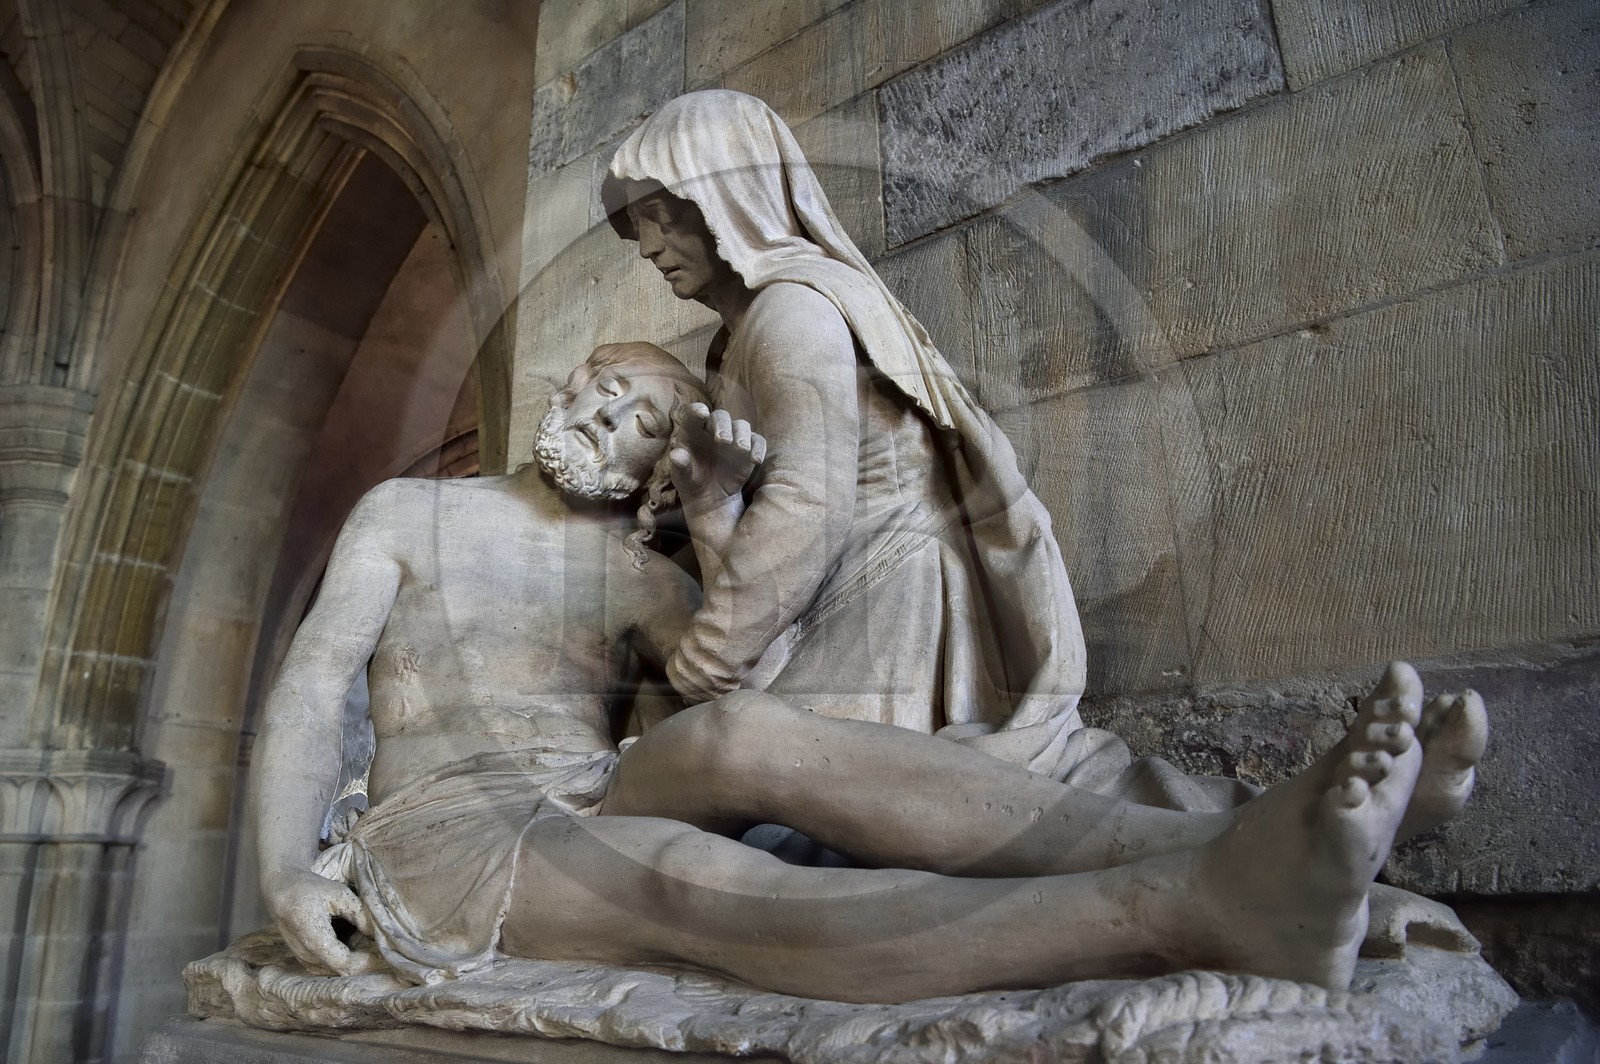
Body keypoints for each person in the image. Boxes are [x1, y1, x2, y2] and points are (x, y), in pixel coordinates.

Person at [253, 343, 1486, 1001]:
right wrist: (285, 874)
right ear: (567, 382)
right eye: (607, 389)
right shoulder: (410, 512)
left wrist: (720, 512)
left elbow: (760, 684)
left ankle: (1238, 833)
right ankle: (1198, 903)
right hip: (449, 831)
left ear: (651, 473)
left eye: (645, 421)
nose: (610, 415)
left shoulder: (633, 574)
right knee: (684, 875)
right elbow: (310, 686)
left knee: (747, 740)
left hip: (586, 780)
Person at [604, 89, 1092, 779]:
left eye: (664, 217)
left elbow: (806, 504)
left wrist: (707, 656)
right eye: (640, 225)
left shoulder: (792, 314)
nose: (650, 247)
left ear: (730, 201)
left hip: (883, 602)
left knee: (754, 799)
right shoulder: (737, 341)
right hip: (824, 603)